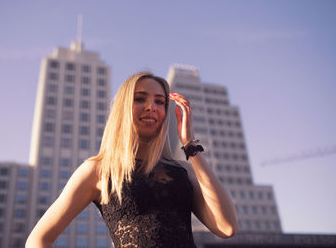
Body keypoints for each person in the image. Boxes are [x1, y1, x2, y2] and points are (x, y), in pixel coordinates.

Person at [26, 72, 238, 248]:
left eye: (159, 101)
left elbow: (227, 227)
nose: (151, 107)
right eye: (140, 98)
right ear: (123, 108)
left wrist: (191, 146)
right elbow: (38, 240)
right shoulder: (98, 170)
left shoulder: (183, 170)